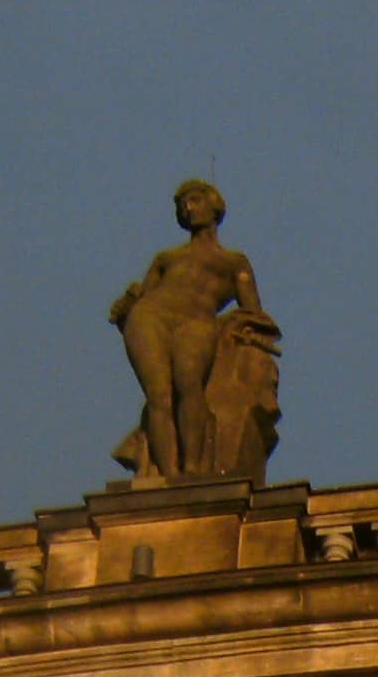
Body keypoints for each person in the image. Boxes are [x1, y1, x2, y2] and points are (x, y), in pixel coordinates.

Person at [110, 181, 272, 485]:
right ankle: (168, 476)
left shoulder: (234, 261)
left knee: (189, 385)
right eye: (182, 204)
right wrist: (128, 302)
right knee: (159, 394)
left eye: (194, 200)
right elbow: (143, 293)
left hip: (197, 321)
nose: (188, 207)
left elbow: (254, 313)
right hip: (150, 316)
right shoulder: (166, 258)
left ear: (214, 206)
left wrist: (241, 327)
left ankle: (193, 469)